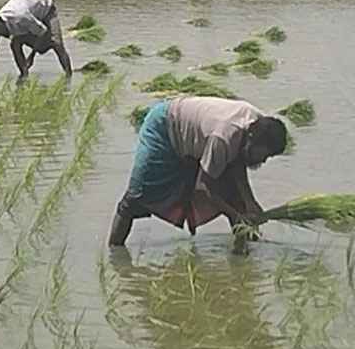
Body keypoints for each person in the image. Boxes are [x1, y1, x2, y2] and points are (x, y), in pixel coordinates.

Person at [109, 97, 289, 247]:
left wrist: (250, 203)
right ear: (252, 139)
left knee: (238, 200)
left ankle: (243, 259)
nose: (264, 160)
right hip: (163, 127)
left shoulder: (255, 122)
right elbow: (203, 187)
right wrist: (233, 215)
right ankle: (114, 255)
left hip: (195, 138)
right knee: (134, 198)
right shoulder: (223, 138)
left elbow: (237, 162)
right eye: (263, 154)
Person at [0, 0, 73, 79]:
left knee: (57, 43)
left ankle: (68, 75)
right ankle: (24, 74)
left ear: (0, 26)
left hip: (47, 8)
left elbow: (43, 32)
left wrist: (31, 56)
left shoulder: (21, 17)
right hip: (30, 12)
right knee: (15, 43)